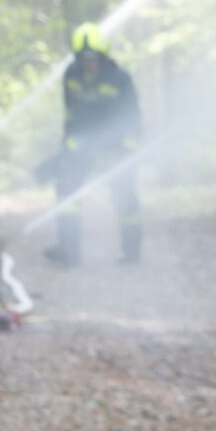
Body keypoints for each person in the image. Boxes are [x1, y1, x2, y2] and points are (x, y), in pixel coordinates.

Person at [42, 23, 142, 266]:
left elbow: (132, 116)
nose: (89, 63)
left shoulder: (119, 78)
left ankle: (131, 252)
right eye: (84, 58)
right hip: (82, 148)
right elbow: (70, 113)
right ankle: (68, 251)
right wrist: (70, 143)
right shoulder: (72, 75)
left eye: (93, 58)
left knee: (125, 198)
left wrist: (128, 148)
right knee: (67, 192)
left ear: (102, 56)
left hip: (115, 149)